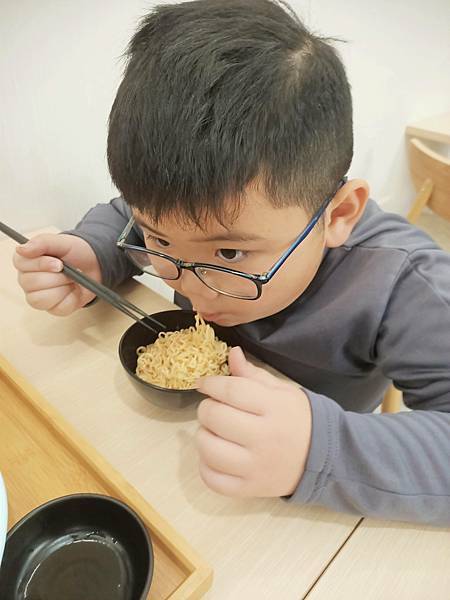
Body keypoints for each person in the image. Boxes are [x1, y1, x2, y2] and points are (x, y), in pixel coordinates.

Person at [12, 0, 450, 525]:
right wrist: (96, 253)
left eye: (229, 254)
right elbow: (123, 215)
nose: (194, 293)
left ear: (339, 214)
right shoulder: (192, 220)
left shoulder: (403, 281)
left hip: (314, 481)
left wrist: (319, 450)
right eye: (160, 240)